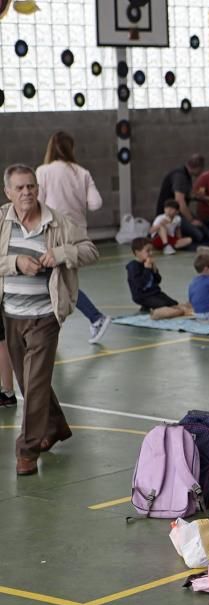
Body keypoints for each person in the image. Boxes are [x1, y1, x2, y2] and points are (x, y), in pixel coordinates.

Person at [1, 163, 98, 476]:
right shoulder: (2, 220)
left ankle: (27, 451)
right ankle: (55, 426)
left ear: (38, 189)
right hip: (11, 315)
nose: (27, 192)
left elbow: (90, 250)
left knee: (36, 382)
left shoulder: (58, 221)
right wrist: (15, 262)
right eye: (20, 188)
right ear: (8, 192)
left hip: (45, 315)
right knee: (29, 383)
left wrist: (61, 254)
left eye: (31, 186)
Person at [36, 130, 110, 344]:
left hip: (52, 233)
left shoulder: (43, 171)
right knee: (57, 282)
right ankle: (54, 329)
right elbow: (96, 203)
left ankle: (96, 317)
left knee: (59, 284)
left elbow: (37, 203)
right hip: (77, 234)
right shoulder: (82, 172)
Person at [126, 238, 192, 320]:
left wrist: (154, 270)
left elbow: (158, 280)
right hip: (142, 296)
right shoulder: (133, 266)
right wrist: (147, 269)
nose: (151, 253)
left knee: (173, 303)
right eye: (147, 251)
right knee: (164, 306)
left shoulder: (148, 263)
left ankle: (147, 307)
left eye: (151, 250)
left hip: (155, 293)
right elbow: (140, 285)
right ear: (137, 252)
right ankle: (155, 312)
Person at [156, 154, 207, 244]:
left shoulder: (186, 175)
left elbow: (185, 195)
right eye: (201, 170)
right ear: (198, 168)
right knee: (199, 235)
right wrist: (191, 220)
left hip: (178, 213)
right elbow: (180, 202)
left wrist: (197, 197)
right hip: (170, 214)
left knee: (206, 232)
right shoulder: (180, 176)